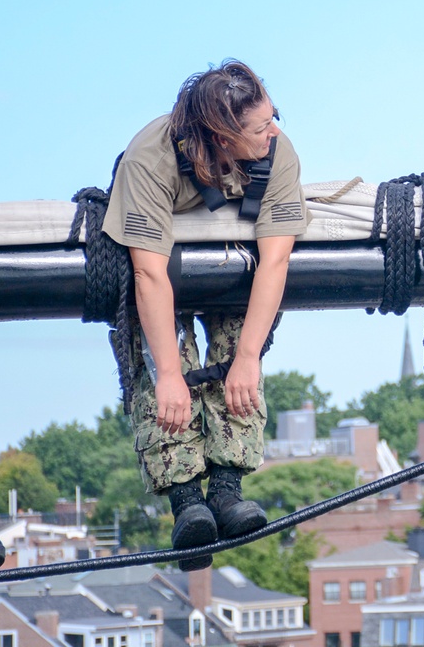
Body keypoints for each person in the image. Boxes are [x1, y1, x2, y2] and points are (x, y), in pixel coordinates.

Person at [103, 59, 310, 569]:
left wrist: (247, 358)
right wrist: (171, 374)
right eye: (261, 127)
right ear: (222, 135)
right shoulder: (149, 160)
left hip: (234, 260)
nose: (274, 131)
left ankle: (226, 490)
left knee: (242, 347)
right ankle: (187, 504)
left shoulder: (277, 153)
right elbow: (149, 274)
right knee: (157, 359)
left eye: (273, 117)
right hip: (159, 265)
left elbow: (276, 258)